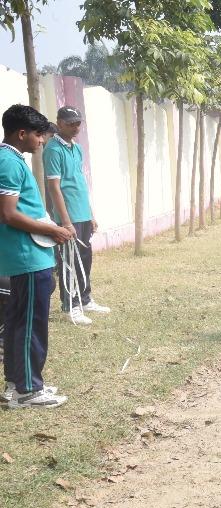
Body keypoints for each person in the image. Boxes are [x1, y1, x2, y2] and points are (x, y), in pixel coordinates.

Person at [0, 104, 72, 408]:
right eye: (39, 135)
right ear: (22, 133)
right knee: (31, 324)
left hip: (27, 256)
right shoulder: (8, 162)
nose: (42, 141)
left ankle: (16, 385)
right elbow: (8, 214)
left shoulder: (11, 158)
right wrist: (53, 229)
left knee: (18, 321)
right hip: (27, 256)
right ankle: (29, 390)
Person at [44, 106, 110, 326]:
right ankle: (70, 306)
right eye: (70, 123)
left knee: (84, 259)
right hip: (68, 216)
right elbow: (54, 188)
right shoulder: (53, 149)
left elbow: (80, 182)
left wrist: (90, 214)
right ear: (59, 123)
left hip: (82, 214)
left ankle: (85, 299)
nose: (75, 127)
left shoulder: (77, 148)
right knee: (69, 262)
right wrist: (65, 222)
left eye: (78, 123)